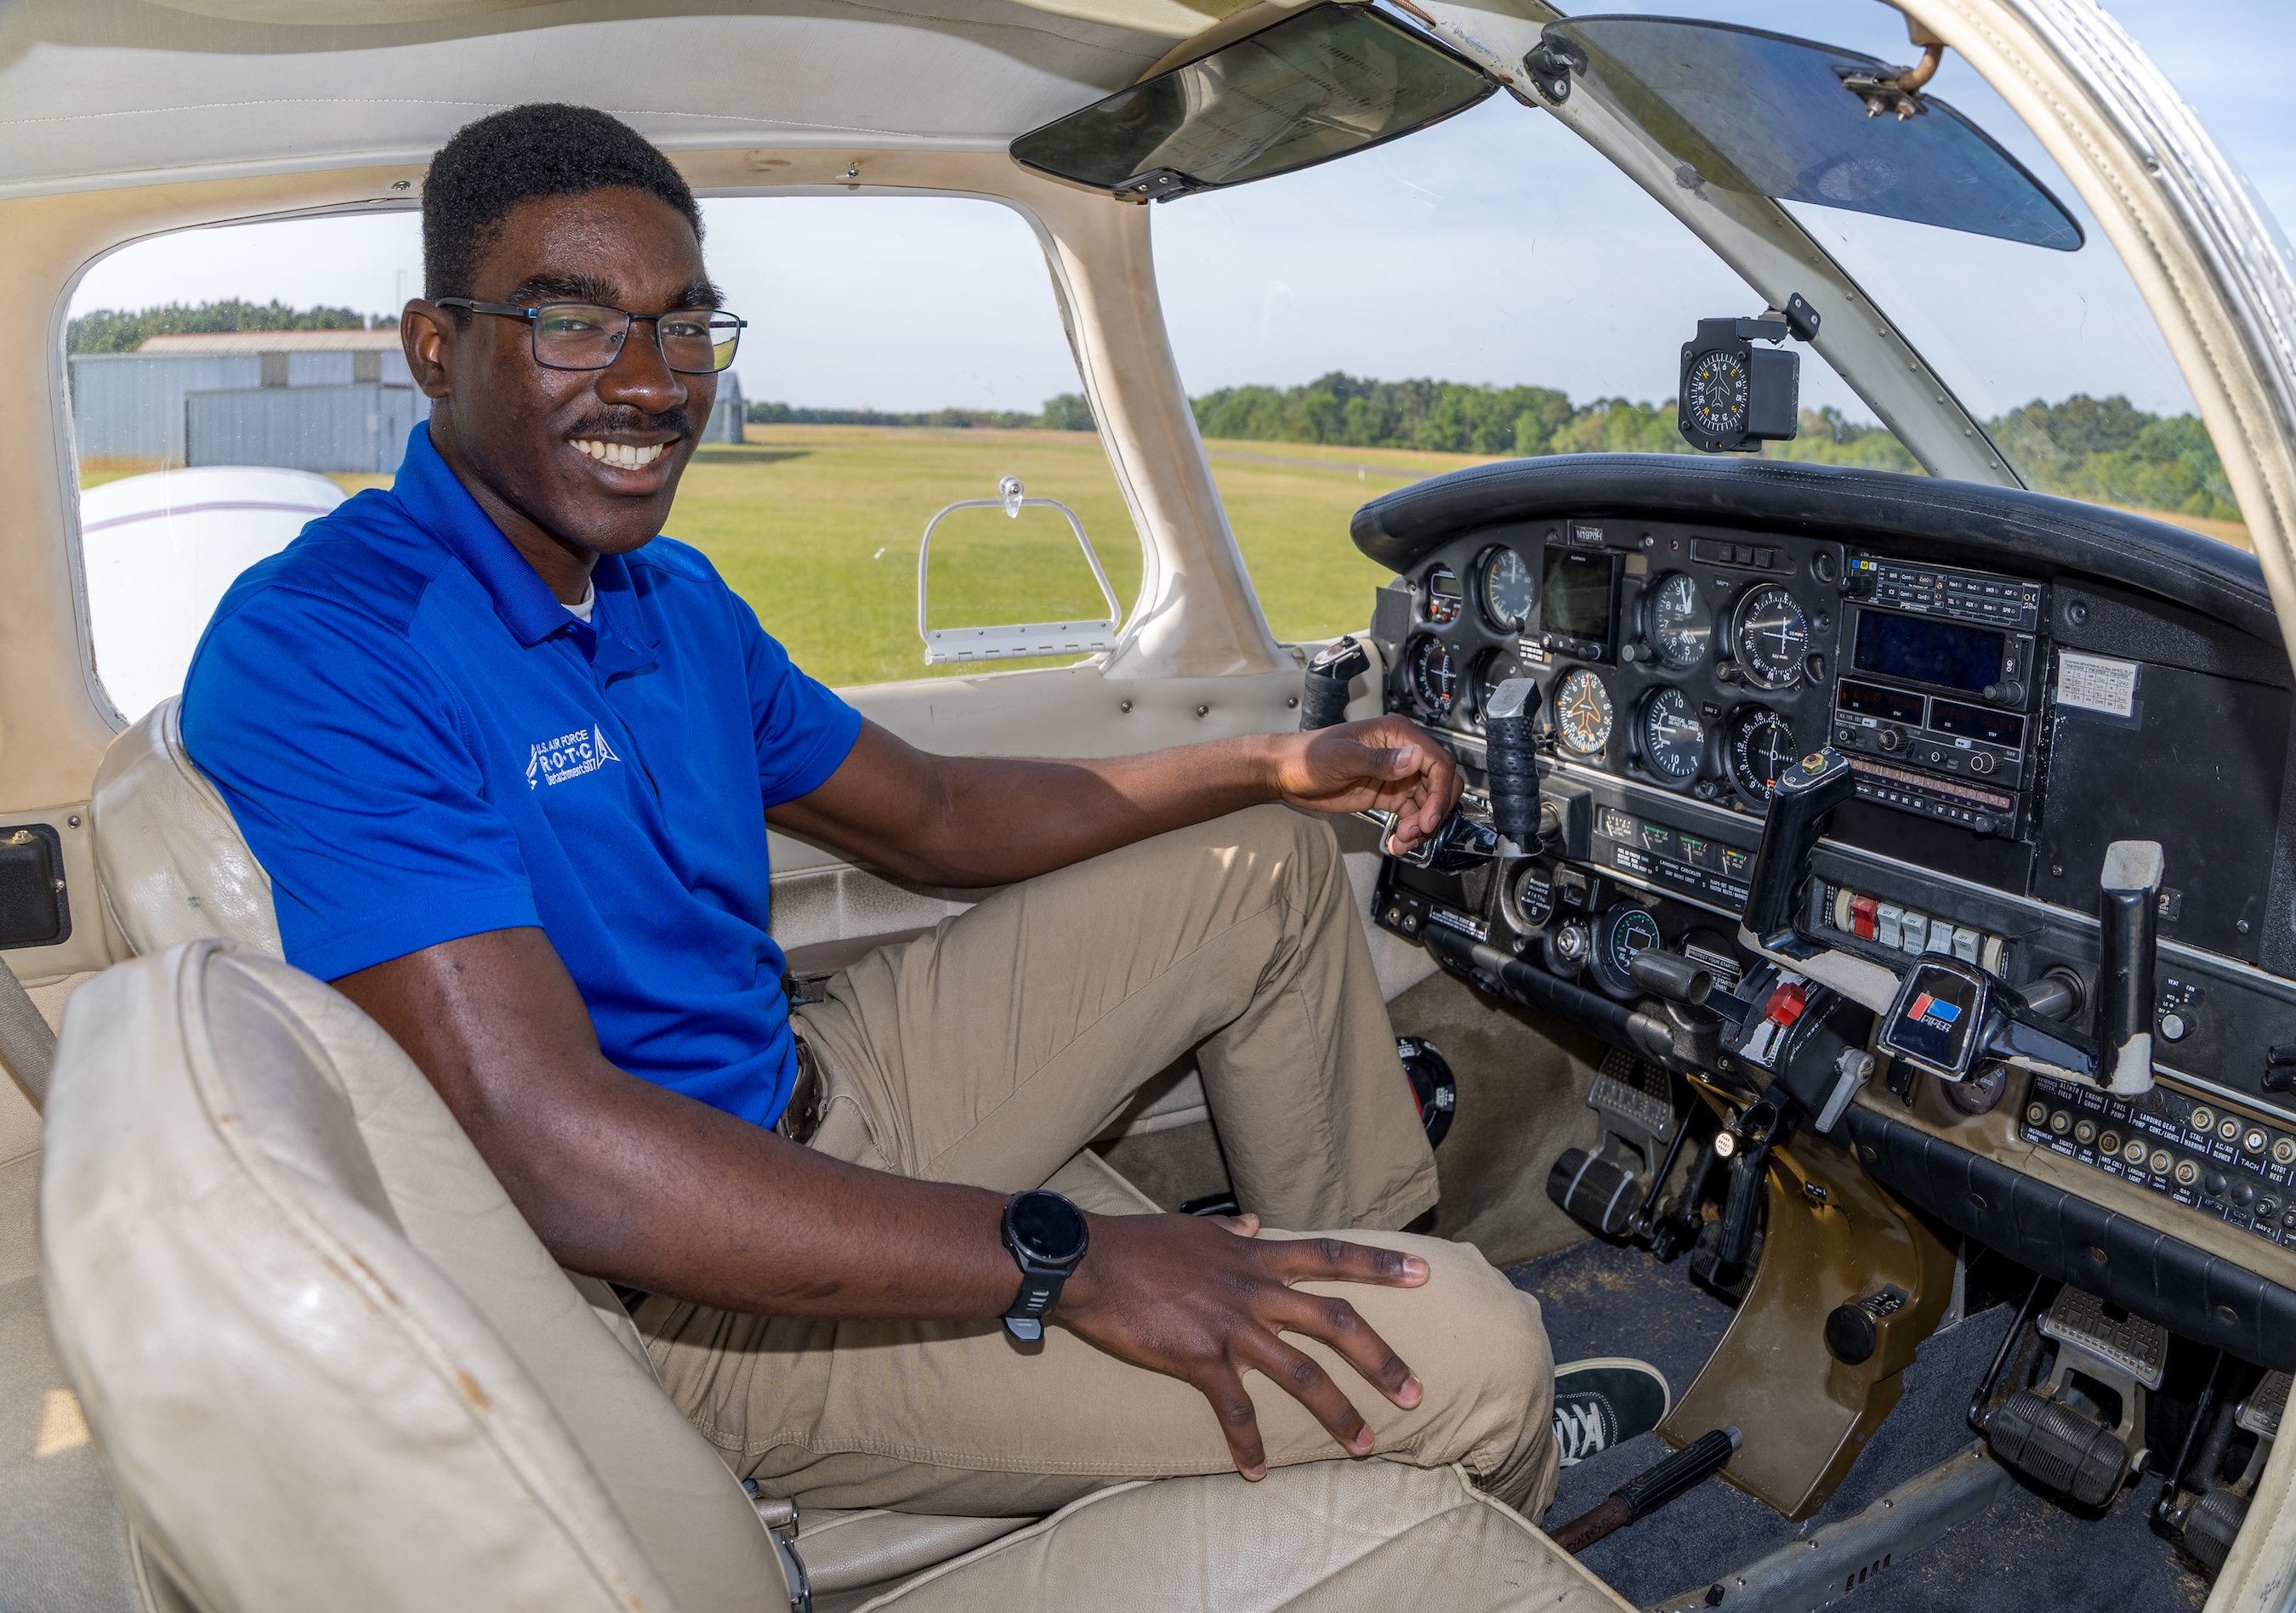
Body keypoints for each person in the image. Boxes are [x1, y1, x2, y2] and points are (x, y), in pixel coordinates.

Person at [181, 102, 1665, 1525]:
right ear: (435, 348)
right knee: (1493, 1350)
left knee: (1265, 866)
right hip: (703, 1290)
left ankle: (1377, 1350)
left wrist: (1272, 765)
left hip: (827, 1086)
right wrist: (1068, 1257)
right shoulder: (327, 642)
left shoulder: (670, 599)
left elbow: (940, 813)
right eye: (572, 321)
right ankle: (1469, 1412)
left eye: (686, 323)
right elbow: (551, 1147)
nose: (650, 382)